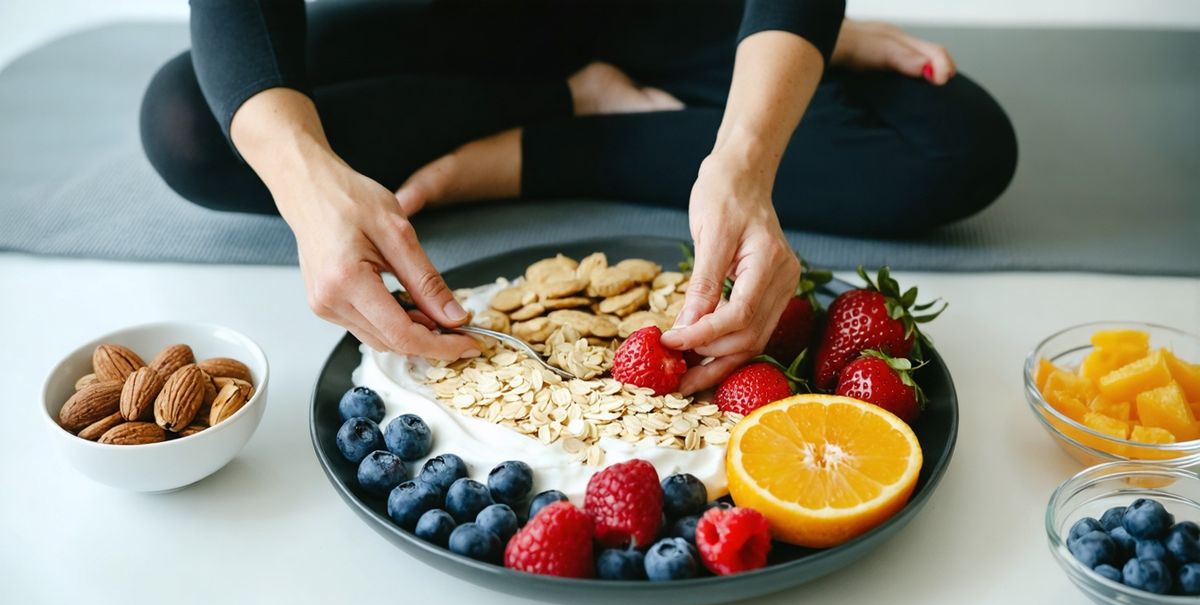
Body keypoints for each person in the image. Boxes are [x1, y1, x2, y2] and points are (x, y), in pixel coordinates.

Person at [140, 0, 1016, 394]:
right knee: (189, 121)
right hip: (445, 26)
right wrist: (305, 181)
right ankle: (577, 99)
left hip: (664, 14)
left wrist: (755, 125)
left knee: (956, 148)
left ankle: (527, 150)